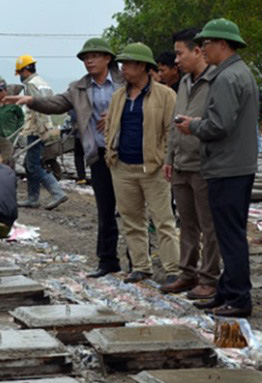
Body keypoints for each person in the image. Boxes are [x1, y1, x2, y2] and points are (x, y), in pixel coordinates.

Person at [6, 38, 122, 277]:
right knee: (105, 210)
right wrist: (32, 101)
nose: (89, 61)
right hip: (98, 155)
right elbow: (57, 103)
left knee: (133, 212)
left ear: (108, 58)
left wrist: (116, 114)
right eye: (85, 58)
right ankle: (108, 261)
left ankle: (142, 265)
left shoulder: (124, 82)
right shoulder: (78, 87)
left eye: (94, 56)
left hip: (125, 154)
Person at [175, 18, 258, 318]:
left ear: (223, 44)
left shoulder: (226, 78)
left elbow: (219, 125)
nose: (203, 48)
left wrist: (193, 125)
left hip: (228, 167)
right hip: (236, 164)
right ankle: (225, 291)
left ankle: (237, 298)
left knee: (230, 236)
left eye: (207, 43)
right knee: (227, 233)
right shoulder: (238, 72)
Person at [106, 43, 179, 284]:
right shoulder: (118, 96)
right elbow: (111, 128)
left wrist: (167, 160)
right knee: (131, 220)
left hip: (154, 168)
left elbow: (171, 132)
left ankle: (173, 270)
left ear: (142, 67)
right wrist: (111, 154)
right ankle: (140, 267)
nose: (122, 68)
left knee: (163, 221)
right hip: (123, 167)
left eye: (127, 64)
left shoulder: (166, 95)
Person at [161, 28, 220, 299]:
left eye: (179, 53)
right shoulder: (184, 83)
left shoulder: (217, 80)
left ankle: (209, 278)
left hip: (205, 164)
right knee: (186, 223)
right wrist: (170, 158)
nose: (176, 60)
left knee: (209, 226)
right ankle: (187, 273)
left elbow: (218, 124)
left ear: (197, 51)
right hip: (182, 163)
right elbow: (175, 124)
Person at [14, 53, 67, 210]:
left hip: (37, 129)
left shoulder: (31, 85)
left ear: (25, 71)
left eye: (20, 73)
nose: (20, 76)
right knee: (29, 163)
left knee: (34, 165)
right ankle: (33, 198)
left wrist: (41, 130)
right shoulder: (43, 83)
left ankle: (57, 192)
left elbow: (39, 109)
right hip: (41, 127)